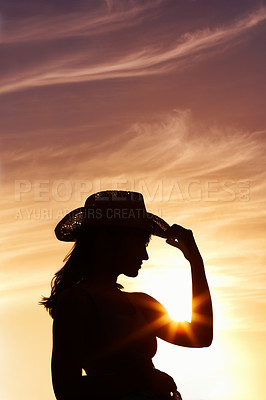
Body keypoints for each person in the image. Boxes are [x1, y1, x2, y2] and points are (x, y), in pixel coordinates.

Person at [41, 190, 213, 400]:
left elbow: (201, 336)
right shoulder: (76, 302)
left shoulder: (142, 303)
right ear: (106, 241)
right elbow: (67, 390)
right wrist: (144, 379)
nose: (145, 255)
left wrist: (195, 261)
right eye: (140, 243)